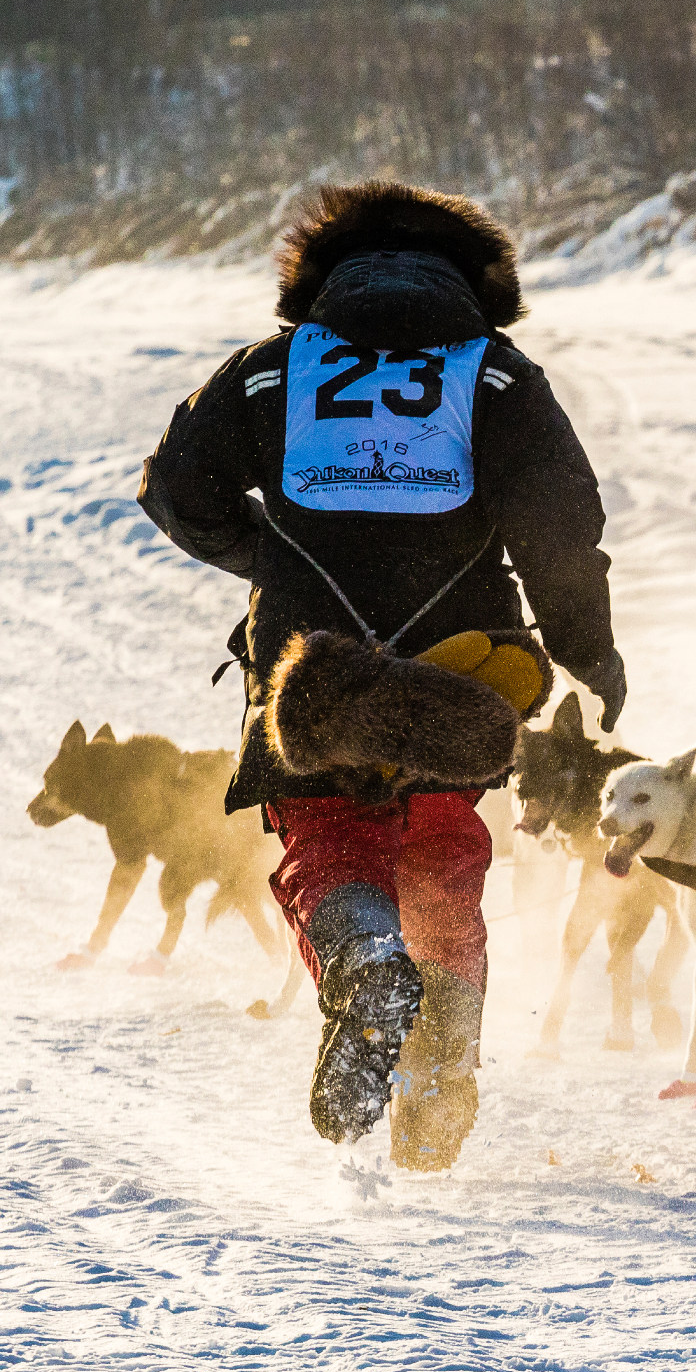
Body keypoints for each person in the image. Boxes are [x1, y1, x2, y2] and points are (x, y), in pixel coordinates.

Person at [138, 181, 625, 1169]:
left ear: (321, 276)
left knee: (326, 837)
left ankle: (362, 958)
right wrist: (586, 648)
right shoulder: (495, 379)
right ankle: (443, 1052)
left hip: (308, 671)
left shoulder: (271, 375)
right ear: (474, 282)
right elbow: (560, 525)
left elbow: (175, 489)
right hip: (463, 666)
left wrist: (267, 557)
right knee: (444, 851)